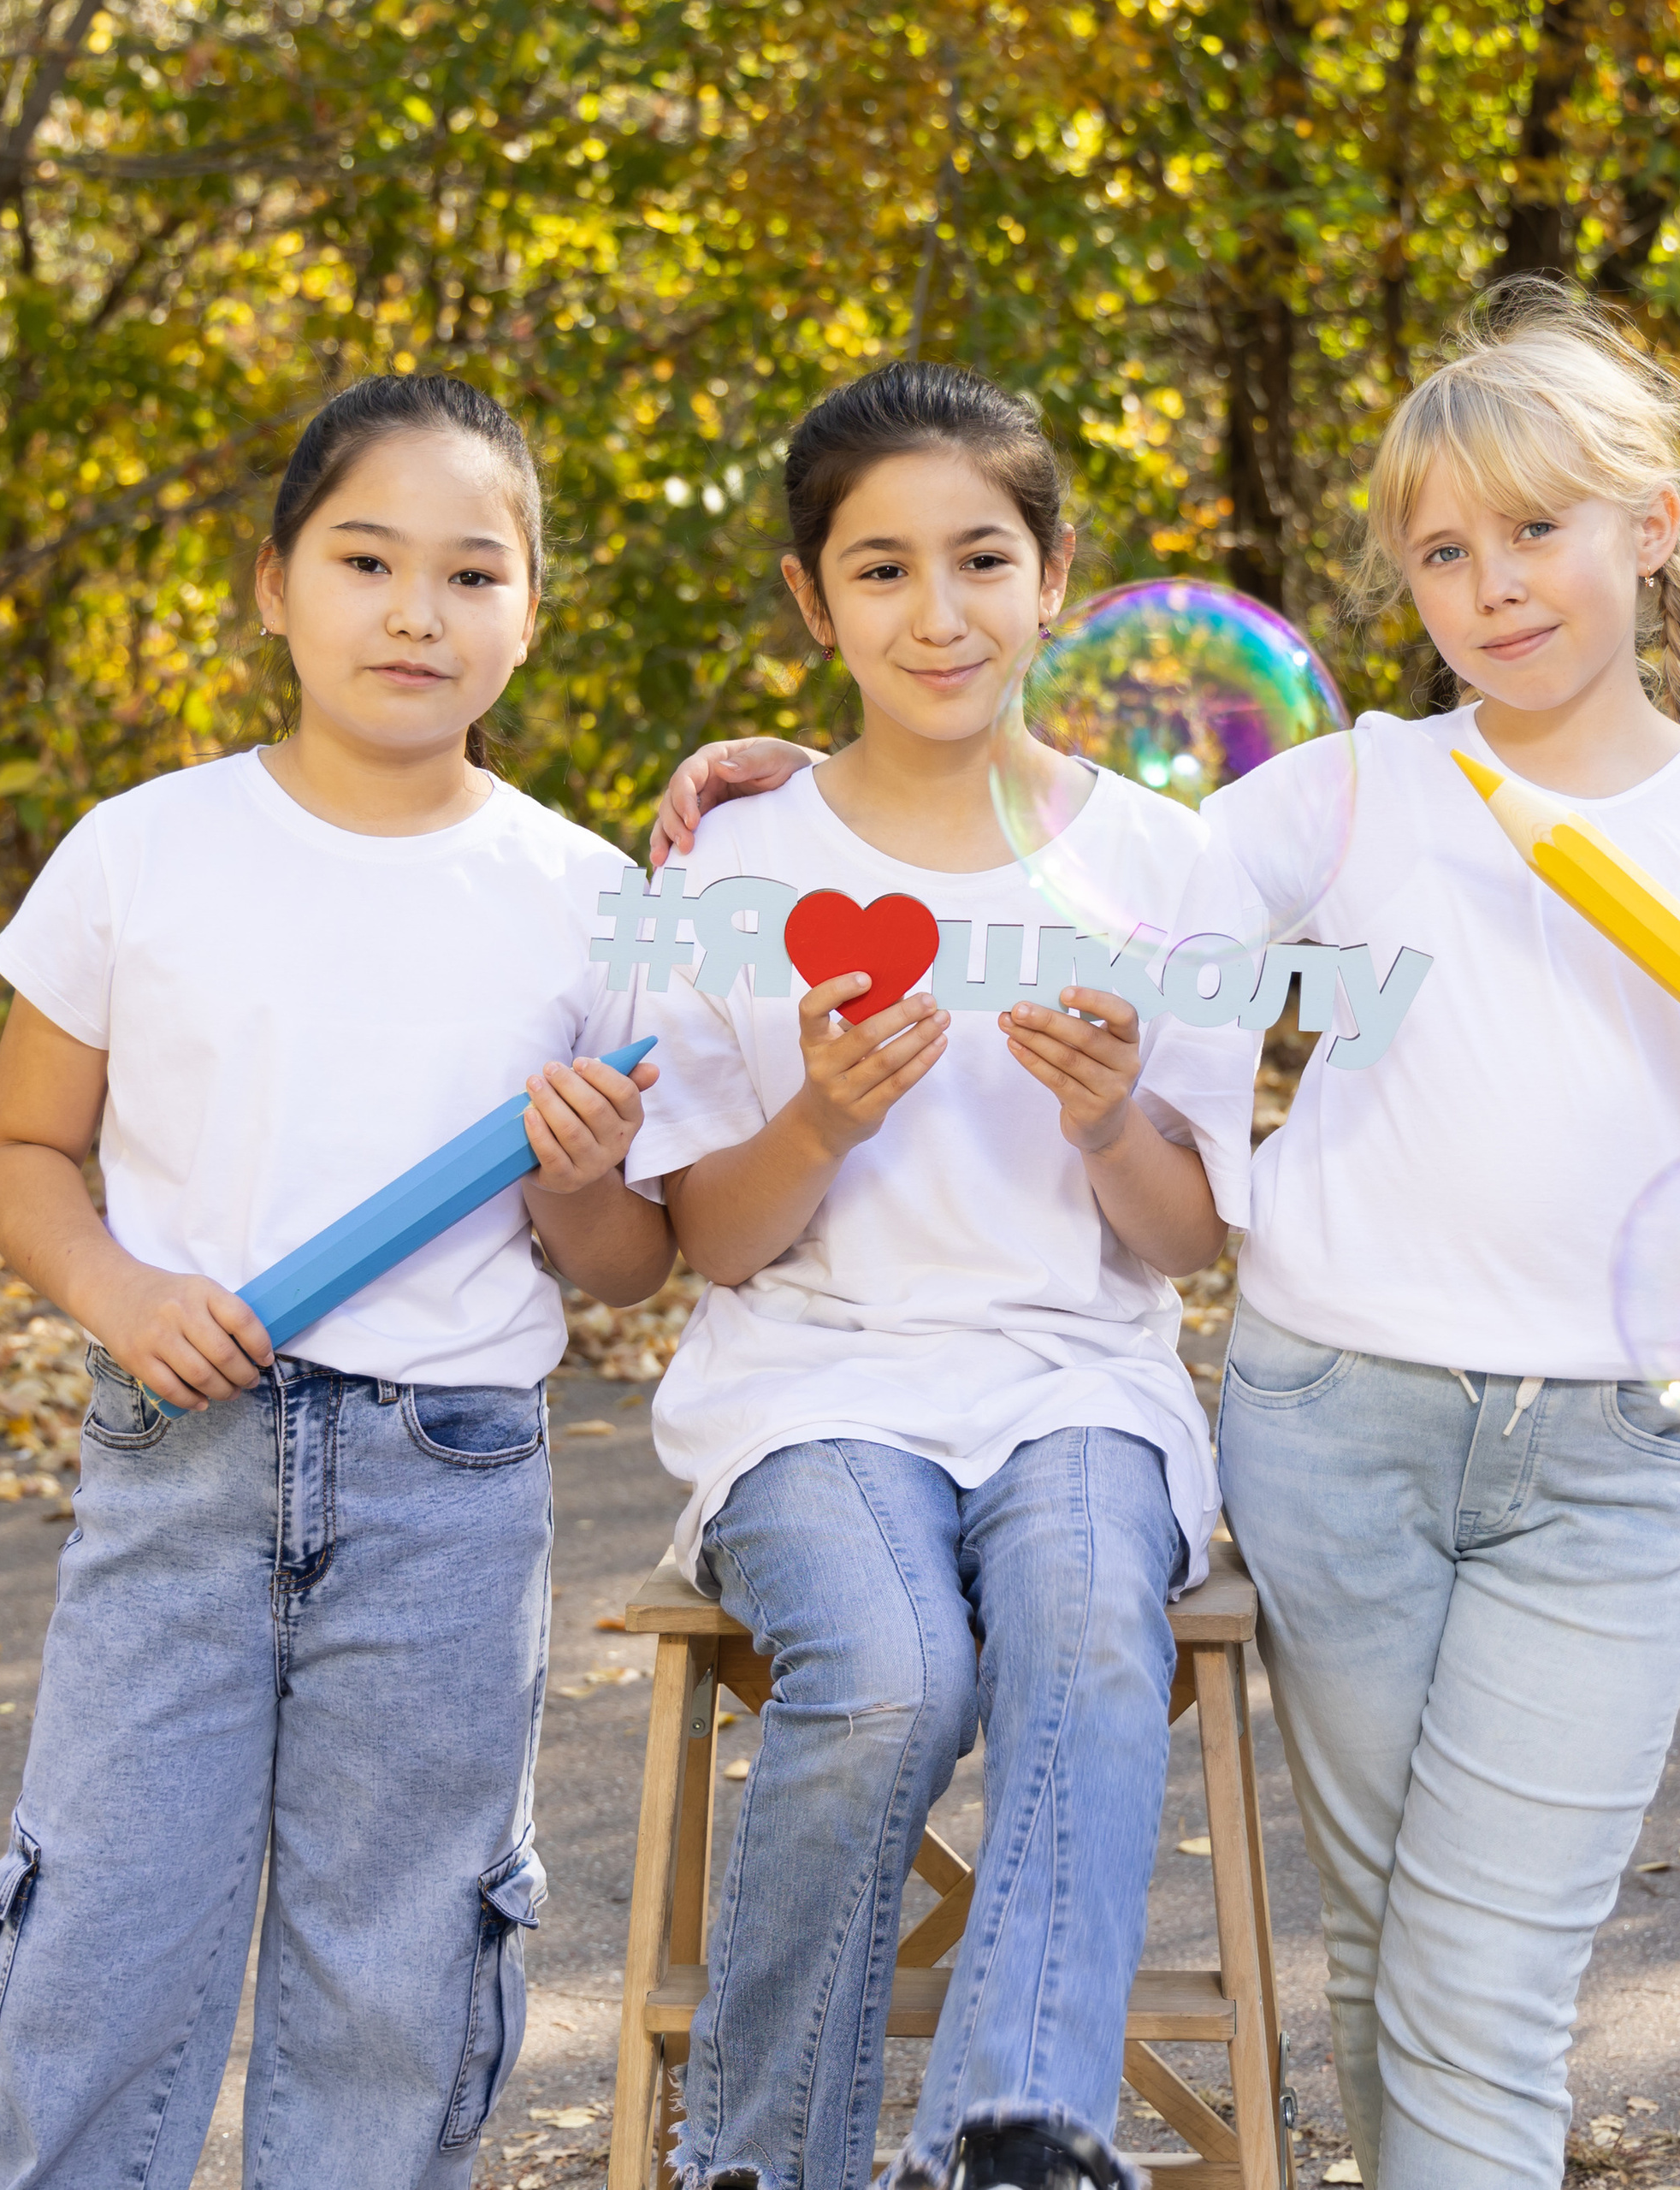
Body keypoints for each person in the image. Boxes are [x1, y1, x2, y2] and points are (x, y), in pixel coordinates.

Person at [648, 287, 1680, 2187]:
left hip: (1606, 1452)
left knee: (1482, 1968)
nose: (1489, 585)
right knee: (1402, 1952)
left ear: (1650, 525)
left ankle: (1025, 2127)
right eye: (1439, 550)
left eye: (1533, 530)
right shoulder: (1340, 792)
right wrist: (792, 760)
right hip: (1335, 1417)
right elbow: (1039, 837)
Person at [0, 374, 672, 2187]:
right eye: (367, 559)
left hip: (452, 1487)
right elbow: (20, 1153)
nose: (416, 612)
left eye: (471, 572)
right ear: (276, 584)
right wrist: (117, 1290)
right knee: (96, 1945)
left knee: (395, 1974)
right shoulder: (143, 847)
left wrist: (583, 1179)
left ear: (529, 609)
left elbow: (620, 1263)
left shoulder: (588, 902)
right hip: (180, 1458)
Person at [619, 360, 1257, 2190]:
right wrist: (815, 1119)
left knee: (1076, 1626)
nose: (938, 610)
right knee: (889, 1663)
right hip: (810, 1386)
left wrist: (1112, 1117)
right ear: (812, 605)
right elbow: (701, 1244)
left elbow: (1179, 1235)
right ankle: (758, 2156)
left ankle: (1009, 2128)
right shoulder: (734, 858)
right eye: (879, 569)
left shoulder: (1160, 860)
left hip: (1079, 1380)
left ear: (1053, 571)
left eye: (979, 556)